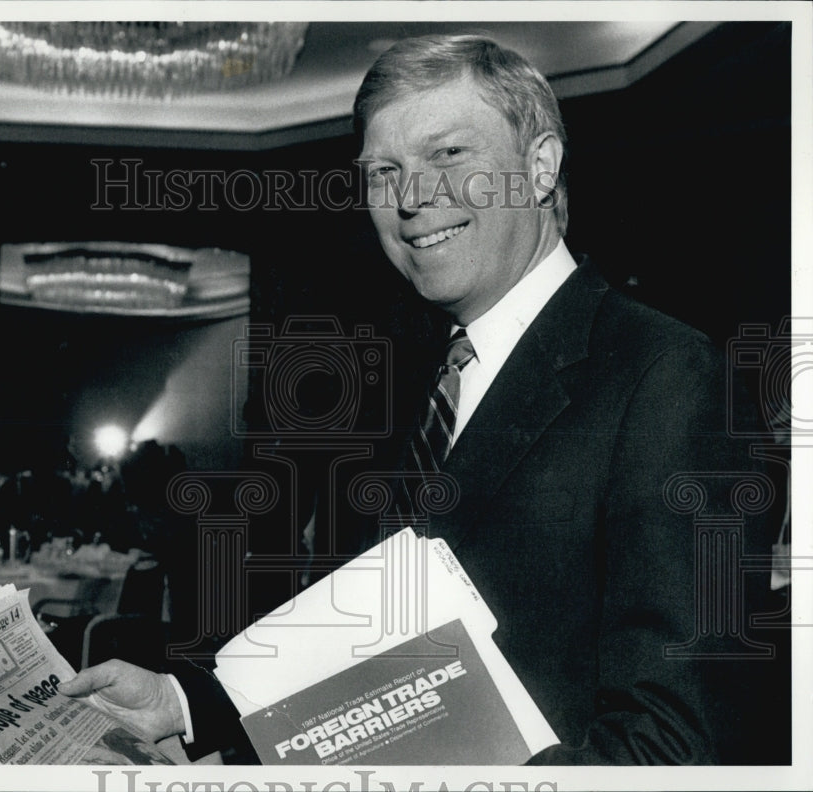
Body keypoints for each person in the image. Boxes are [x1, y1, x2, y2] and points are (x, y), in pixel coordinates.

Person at [60, 34, 786, 765]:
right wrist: (188, 706)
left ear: (538, 168)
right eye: (384, 172)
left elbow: (678, 746)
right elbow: (368, 640)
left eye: (449, 156)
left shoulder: (670, 379)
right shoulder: (417, 380)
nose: (411, 199)